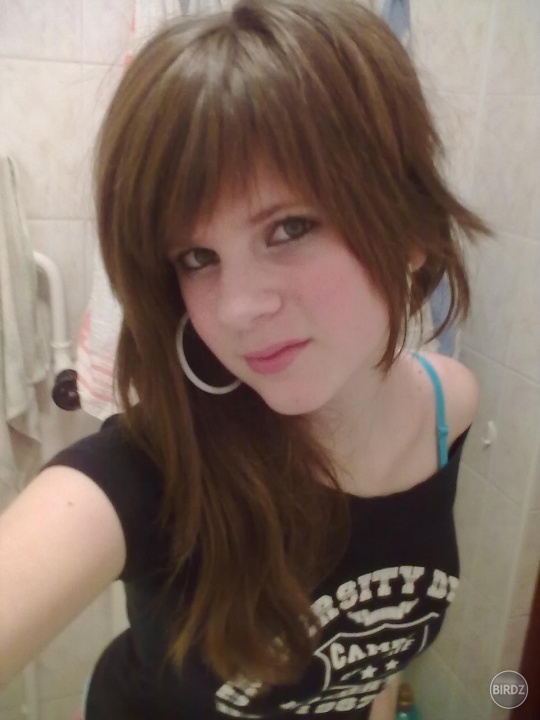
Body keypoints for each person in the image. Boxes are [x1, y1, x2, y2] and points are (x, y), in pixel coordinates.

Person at [0, 1, 493, 718]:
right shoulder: (153, 470)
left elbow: (372, 660)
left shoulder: (451, 408)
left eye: (290, 227)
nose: (235, 309)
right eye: (197, 257)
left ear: (411, 229)